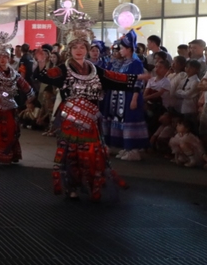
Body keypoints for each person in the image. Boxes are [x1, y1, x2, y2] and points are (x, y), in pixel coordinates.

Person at [35, 13, 149, 201]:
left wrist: (137, 78)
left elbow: (115, 79)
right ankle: (71, 186)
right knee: (71, 155)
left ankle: (89, 183)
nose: (79, 50)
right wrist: (40, 64)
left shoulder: (96, 70)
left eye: (83, 47)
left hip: (91, 122)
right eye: (75, 47)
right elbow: (45, 77)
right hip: (70, 121)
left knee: (91, 155)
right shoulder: (64, 69)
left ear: (88, 49)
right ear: (69, 49)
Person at [0, 21, 35, 165]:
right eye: (0, 57)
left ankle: (10, 154)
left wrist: (31, 97)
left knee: (11, 130)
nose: (3, 60)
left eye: (5, 56)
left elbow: (26, 86)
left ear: (9, 57)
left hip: (10, 105)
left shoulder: (14, 73)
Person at [101, 30, 148, 162]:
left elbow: (137, 82)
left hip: (130, 96)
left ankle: (133, 149)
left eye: (122, 48)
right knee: (121, 120)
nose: (120, 50)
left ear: (129, 49)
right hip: (121, 96)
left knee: (130, 120)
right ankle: (126, 147)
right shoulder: (124, 62)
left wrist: (134, 99)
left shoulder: (136, 63)